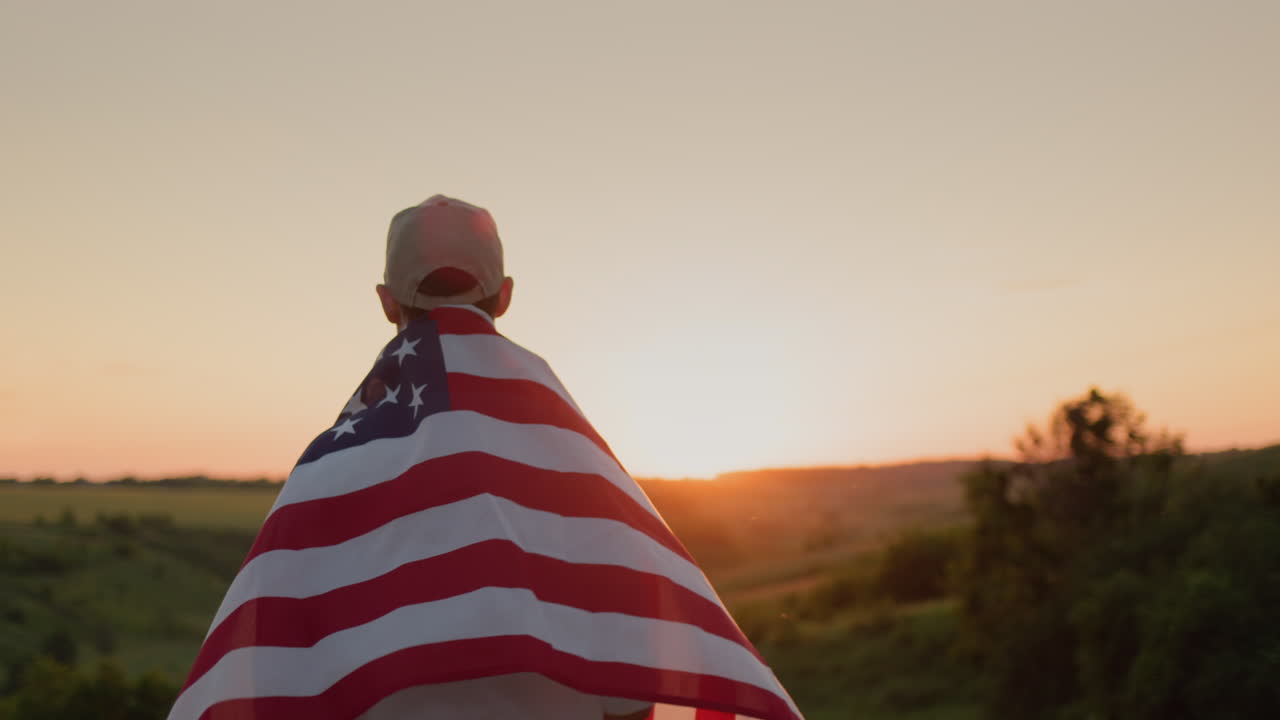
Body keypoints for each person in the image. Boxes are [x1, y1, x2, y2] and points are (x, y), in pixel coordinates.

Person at [167, 195, 801, 720]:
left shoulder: (326, 474)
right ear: (505, 296)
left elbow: (265, 679)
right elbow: (637, 682)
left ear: (386, 301)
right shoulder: (577, 470)